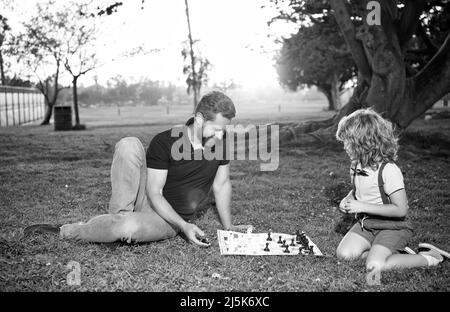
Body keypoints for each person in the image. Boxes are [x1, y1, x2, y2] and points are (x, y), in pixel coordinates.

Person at [25, 91, 252, 246]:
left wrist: (228, 225)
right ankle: (75, 230)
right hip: (150, 198)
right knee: (129, 144)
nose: (221, 134)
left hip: (169, 219)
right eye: (217, 128)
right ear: (200, 119)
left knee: (128, 227)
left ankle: (117, 228)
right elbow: (154, 192)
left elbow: (221, 185)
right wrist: (186, 226)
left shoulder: (220, 144)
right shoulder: (167, 141)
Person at [335, 108, 449, 274]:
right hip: (366, 225)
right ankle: (389, 253)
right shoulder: (355, 165)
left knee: (374, 266)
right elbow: (357, 191)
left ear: (364, 143)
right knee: (344, 255)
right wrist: (347, 200)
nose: (345, 147)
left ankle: (431, 257)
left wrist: (362, 206)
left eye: (348, 142)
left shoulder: (388, 170)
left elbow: (400, 209)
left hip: (393, 227)